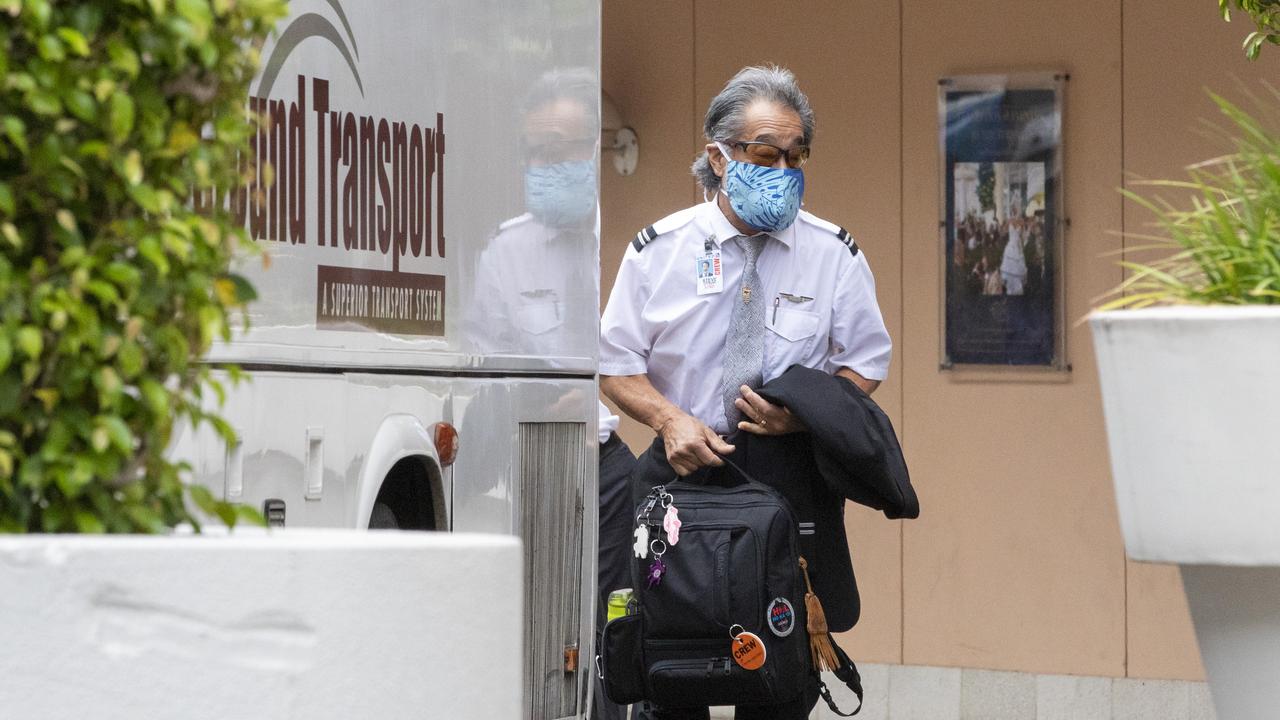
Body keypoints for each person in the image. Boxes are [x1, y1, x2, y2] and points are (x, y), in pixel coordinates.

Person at [599, 65, 893, 720]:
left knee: (782, 676)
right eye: (767, 154)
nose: (784, 169)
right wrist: (669, 419)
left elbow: (867, 360)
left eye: (796, 156)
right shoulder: (659, 251)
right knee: (671, 669)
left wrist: (805, 413)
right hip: (683, 476)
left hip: (786, 483)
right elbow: (614, 364)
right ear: (720, 156)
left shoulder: (833, 254)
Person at [464, 68, 633, 720]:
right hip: (533, 462)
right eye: (536, 151)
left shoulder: (635, 244)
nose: (548, 163)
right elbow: (486, 365)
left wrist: (607, 400)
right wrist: (527, 399)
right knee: (540, 626)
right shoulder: (506, 253)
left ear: (596, 147)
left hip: (616, 466)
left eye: (562, 148)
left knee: (612, 624)